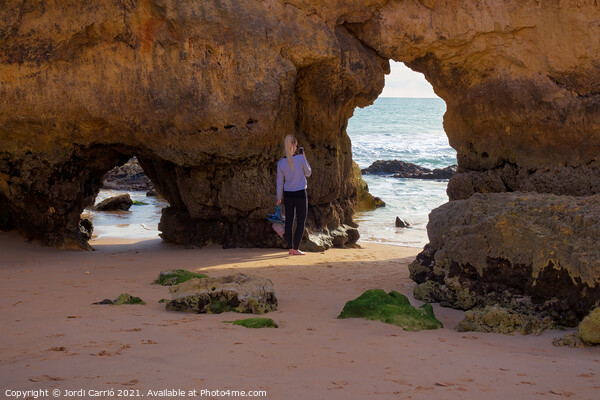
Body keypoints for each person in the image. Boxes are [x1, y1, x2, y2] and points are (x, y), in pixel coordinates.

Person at [276, 135, 311, 255]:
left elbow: (280, 182)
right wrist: (304, 158)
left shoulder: (281, 163)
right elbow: (308, 173)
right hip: (300, 193)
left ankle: (290, 248)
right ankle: (296, 248)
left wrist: (278, 198)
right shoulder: (300, 159)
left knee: (289, 221)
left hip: (287, 194)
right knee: (301, 221)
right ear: (294, 145)